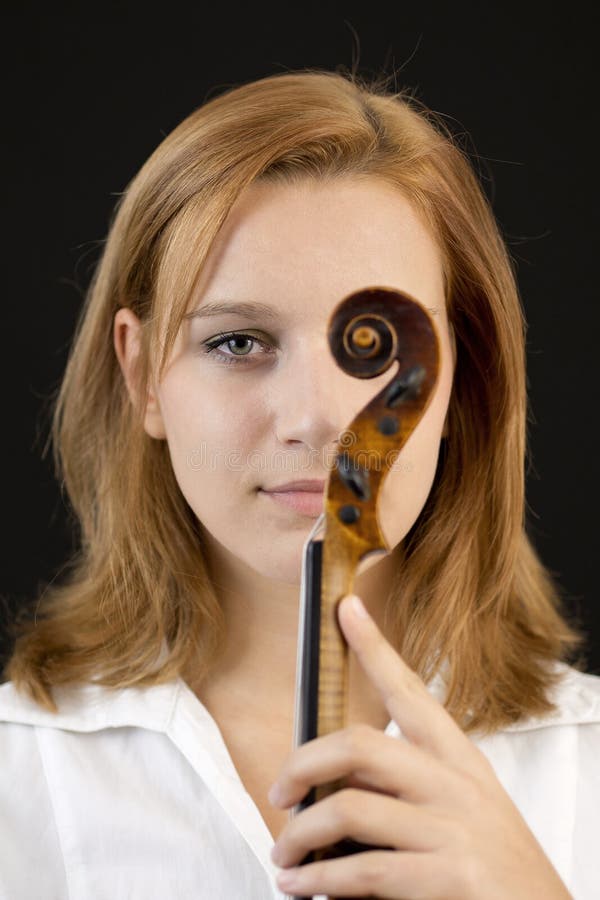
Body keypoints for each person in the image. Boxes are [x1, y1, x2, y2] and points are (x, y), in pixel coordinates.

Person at [1, 67, 598, 900]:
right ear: (142, 377)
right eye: (240, 343)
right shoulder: (17, 772)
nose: (316, 419)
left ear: (467, 373)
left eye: (377, 342)